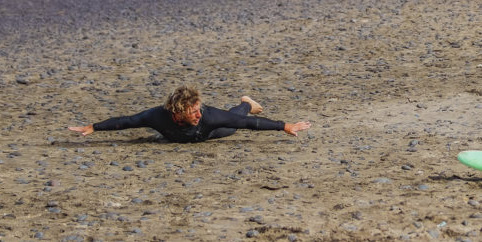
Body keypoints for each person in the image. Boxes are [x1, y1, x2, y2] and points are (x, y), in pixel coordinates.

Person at [68, 86, 311, 142]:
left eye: (198, 110)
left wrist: (284, 126)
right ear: (177, 111)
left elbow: (249, 124)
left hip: (207, 133)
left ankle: (246, 102)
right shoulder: (156, 116)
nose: (196, 114)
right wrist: (94, 127)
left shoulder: (207, 116)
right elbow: (127, 121)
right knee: (232, 119)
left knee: (234, 123)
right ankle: (246, 102)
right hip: (182, 135)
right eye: (192, 112)